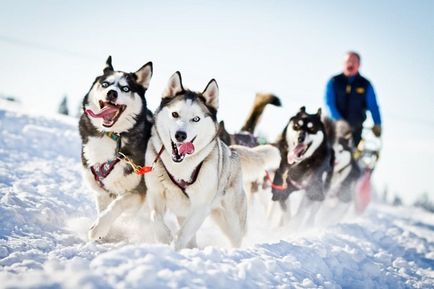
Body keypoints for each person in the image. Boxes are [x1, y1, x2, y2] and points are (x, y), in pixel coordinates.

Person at [325, 51, 382, 147]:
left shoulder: (365, 84)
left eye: (353, 61)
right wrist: (339, 121)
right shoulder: (334, 81)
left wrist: (377, 123)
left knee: (351, 155)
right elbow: (329, 103)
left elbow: (373, 106)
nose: (350, 63)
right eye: (348, 61)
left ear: (359, 64)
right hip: (334, 129)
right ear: (343, 64)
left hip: (355, 130)